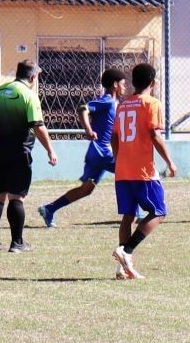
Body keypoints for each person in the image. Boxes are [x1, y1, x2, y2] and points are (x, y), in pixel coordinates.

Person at [0, 59, 58, 253]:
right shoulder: (29, 96)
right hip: (18, 151)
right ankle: (17, 242)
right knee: (16, 197)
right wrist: (50, 150)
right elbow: (38, 126)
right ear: (32, 76)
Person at [111, 63, 177, 280]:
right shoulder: (152, 103)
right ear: (152, 83)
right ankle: (126, 251)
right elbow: (154, 134)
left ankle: (123, 268)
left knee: (128, 215)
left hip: (123, 169)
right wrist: (169, 161)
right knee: (159, 211)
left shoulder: (122, 105)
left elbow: (114, 137)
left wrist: (119, 158)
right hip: (143, 171)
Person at [38, 68, 126, 228]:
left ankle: (49, 209)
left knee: (87, 188)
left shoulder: (115, 104)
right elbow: (83, 109)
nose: (125, 88)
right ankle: (135, 213)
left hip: (96, 155)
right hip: (103, 152)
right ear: (115, 85)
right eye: (123, 84)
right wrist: (88, 130)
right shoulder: (106, 101)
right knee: (129, 173)